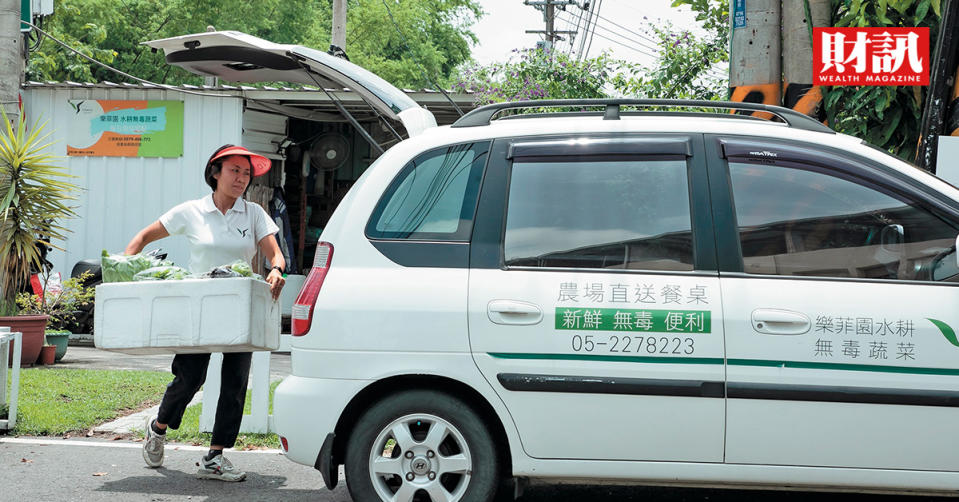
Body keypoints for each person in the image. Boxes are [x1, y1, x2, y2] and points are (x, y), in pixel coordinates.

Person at [125, 144, 286, 482]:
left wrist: (276, 270)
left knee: (235, 383)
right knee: (189, 378)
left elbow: (275, 254)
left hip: (239, 308)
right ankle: (158, 427)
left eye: (246, 173)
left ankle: (215, 456)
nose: (241, 178)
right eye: (234, 170)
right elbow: (142, 237)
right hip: (198, 308)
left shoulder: (254, 213)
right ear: (215, 172)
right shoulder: (192, 211)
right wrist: (126, 272)